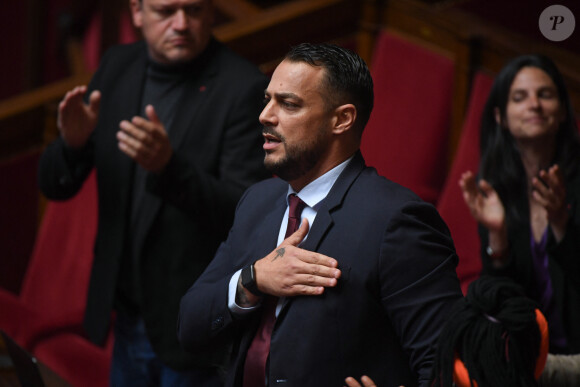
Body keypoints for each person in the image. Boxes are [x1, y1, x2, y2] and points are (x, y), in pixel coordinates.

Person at [178, 42, 463, 387]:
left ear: (341, 119)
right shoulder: (257, 201)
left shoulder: (398, 222)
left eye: (288, 104)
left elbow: (448, 367)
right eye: (267, 100)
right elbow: (190, 325)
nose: (265, 116)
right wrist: (252, 280)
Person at [38, 0, 269, 385]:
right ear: (137, 12)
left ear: (210, 12)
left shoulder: (244, 87)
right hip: (126, 314)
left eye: (193, 10)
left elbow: (245, 214)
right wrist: (72, 146)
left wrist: (169, 168)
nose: (181, 24)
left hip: (191, 325)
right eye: (166, 11)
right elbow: (53, 186)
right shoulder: (117, 67)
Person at [459, 54, 580, 355]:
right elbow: (503, 298)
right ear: (501, 117)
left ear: (563, 111)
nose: (534, 105)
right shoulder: (497, 187)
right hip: (530, 354)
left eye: (545, 95)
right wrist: (497, 235)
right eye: (520, 97)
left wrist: (560, 224)